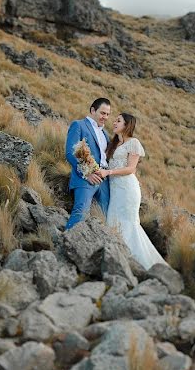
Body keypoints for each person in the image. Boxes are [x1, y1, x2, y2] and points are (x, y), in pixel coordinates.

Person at [96, 113, 167, 270]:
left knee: (128, 224)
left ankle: (136, 264)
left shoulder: (133, 143)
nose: (114, 122)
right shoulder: (114, 144)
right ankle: (118, 259)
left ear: (127, 125)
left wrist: (108, 173)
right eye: (115, 120)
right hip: (115, 191)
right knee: (113, 221)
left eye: (118, 120)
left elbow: (130, 169)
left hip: (127, 189)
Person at [64, 98, 111, 229]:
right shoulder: (78, 125)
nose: (105, 117)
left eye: (107, 114)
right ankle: (66, 242)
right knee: (80, 213)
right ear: (93, 110)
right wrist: (87, 174)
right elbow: (70, 153)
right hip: (85, 179)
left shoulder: (105, 133)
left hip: (104, 181)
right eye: (102, 113)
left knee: (103, 218)